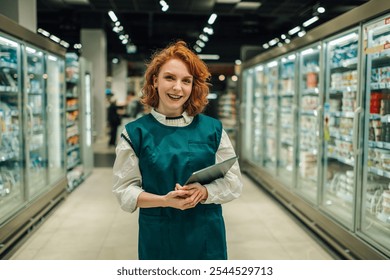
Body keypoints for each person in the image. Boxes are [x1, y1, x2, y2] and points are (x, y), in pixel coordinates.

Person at [112, 40, 243, 260]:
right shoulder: (135, 133)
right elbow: (124, 191)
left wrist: (205, 191)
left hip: (205, 233)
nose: (177, 88)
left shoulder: (213, 130)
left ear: (193, 86)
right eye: (169, 78)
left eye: (186, 81)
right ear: (155, 80)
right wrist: (164, 200)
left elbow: (234, 182)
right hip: (158, 234)